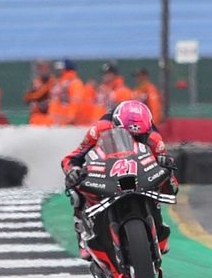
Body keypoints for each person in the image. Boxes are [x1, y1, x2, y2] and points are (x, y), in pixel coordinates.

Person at [61, 100, 178, 260]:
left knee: (158, 183)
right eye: (129, 136)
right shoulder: (100, 128)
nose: (134, 140)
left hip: (139, 171)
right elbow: (74, 157)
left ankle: (158, 228)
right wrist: (72, 170)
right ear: (116, 127)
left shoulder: (154, 138)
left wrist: (167, 171)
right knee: (76, 188)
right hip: (107, 166)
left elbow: (170, 180)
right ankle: (81, 233)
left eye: (140, 138)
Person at [48, 59, 85, 126]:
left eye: (60, 69)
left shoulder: (75, 83)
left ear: (66, 69)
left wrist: (70, 119)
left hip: (66, 124)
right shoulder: (59, 82)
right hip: (55, 123)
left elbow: (75, 102)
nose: (58, 71)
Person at [23, 60, 56, 125]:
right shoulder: (35, 83)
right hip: (36, 116)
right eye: (41, 68)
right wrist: (36, 98)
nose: (43, 71)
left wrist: (48, 102)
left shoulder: (55, 82)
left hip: (51, 116)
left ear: (50, 69)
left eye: (46, 68)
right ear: (38, 70)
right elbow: (26, 99)